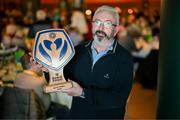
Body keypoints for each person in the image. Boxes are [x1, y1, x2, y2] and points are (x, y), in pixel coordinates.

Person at [32, 5, 133, 119]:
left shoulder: (124, 58)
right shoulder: (77, 50)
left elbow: (118, 99)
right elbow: (60, 79)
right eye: (97, 22)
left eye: (108, 23)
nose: (101, 27)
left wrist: (82, 92)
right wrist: (48, 69)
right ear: (92, 25)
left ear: (116, 30)